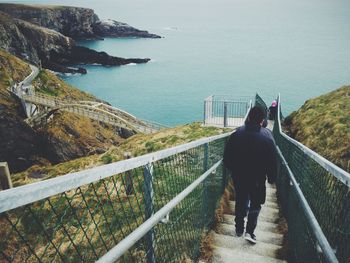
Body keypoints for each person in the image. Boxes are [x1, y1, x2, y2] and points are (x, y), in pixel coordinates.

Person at [223, 106, 277, 244]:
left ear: (248, 118)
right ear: (262, 121)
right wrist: (271, 178)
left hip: (239, 176)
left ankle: (239, 229)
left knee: (240, 201)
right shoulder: (268, 138)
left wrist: (233, 170)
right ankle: (250, 232)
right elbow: (272, 162)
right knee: (255, 204)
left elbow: (227, 158)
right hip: (258, 179)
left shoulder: (236, 134)